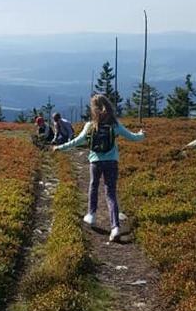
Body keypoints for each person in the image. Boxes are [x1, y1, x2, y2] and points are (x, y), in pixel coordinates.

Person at [53, 94, 144, 241]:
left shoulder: (90, 125)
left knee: (93, 186)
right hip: (112, 162)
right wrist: (141, 135)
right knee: (111, 193)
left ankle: (91, 215)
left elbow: (77, 141)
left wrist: (60, 147)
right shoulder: (114, 124)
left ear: (93, 108)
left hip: (95, 161)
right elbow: (132, 137)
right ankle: (115, 227)